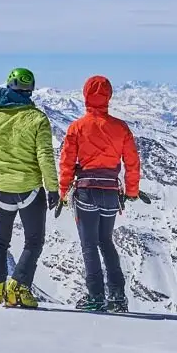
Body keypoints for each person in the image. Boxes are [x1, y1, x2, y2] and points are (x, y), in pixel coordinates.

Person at [0, 67, 60, 309]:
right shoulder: (38, 119)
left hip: (0, 191)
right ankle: (19, 286)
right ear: (30, 90)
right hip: (30, 190)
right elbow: (44, 156)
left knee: (0, 241)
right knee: (34, 241)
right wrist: (52, 188)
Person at [58, 75, 146, 313]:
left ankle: (95, 296)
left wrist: (63, 190)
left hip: (86, 191)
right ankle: (117, 296)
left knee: (89, 245)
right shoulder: (120, 127)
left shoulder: (77, 127)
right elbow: (132, 162)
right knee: (106, 242)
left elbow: (67, 161)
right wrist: (132, 191)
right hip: (110, 192)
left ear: (85, 95)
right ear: (109, 96)